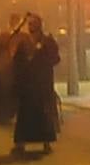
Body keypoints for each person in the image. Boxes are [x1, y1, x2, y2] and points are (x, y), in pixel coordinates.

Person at [12, 13, 60, 156]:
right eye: (30, 23)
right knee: (25, 115)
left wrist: (44, 59)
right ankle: (21, 144)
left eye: (34, 23)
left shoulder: (48, 41)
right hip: (27, 86)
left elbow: (55, 59)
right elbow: (17, 61)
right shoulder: (23, 42)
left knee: (44, 115)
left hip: (42, 84)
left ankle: (46, 143)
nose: (31, 26)